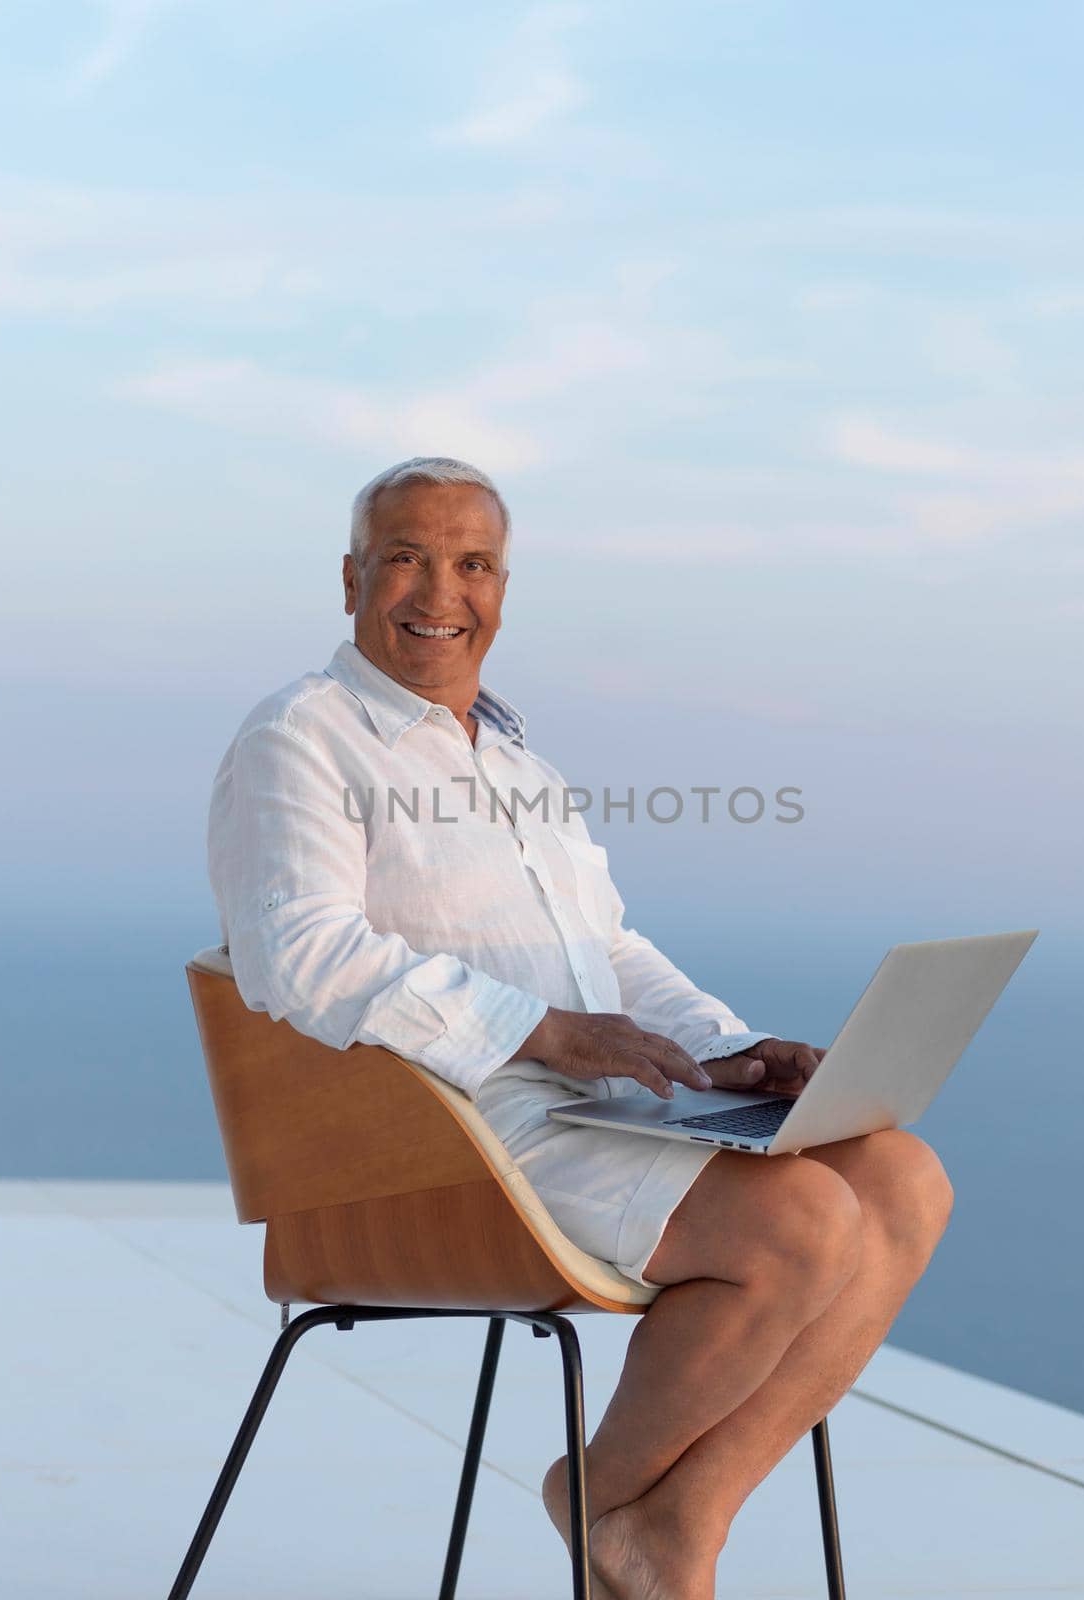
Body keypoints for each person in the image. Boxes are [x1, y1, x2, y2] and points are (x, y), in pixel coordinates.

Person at [207, 456, 954, 1600]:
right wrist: (545, 1032)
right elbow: (297, 952)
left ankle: (668, 1523)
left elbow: (609, 949)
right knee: (800, 1220)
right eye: (407, 556)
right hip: (453, 1147)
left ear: (503, 588)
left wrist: (728, 1051)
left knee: (902, 1178)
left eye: (473, 564)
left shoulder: (516, 762)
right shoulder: (299, 737)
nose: (438, 591)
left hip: (587, 1117)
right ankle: (612, 1502)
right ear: (352, 575)